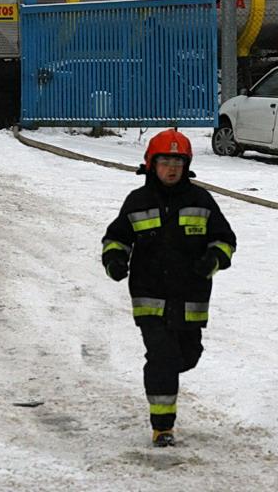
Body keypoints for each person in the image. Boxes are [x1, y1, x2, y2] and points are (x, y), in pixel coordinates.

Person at [101, 129, 237, 448]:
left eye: (178, 161)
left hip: (191, 300)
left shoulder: (201, 201)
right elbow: (116, 239)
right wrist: (115, 260)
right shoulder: (138, 202)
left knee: (187, 356)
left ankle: (163, 373)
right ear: (151, 164)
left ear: (186, 164)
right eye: (165, 161)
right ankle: (163, 427)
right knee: (162, 358)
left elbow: (225, 240)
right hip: (149, 300)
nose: (171, 168)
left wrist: (214, 259)